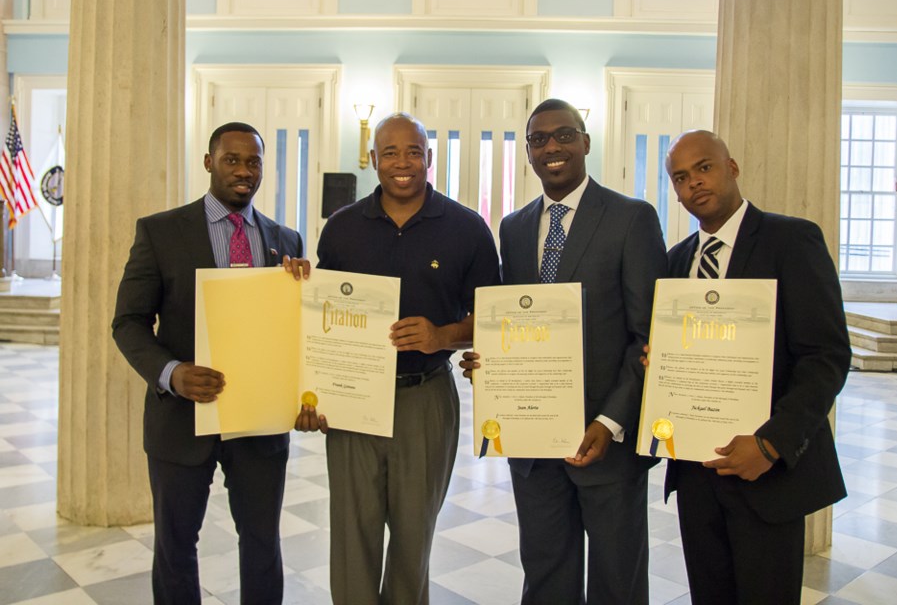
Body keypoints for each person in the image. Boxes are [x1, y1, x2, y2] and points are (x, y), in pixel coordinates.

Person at [463, 98, 667, 604]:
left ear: (585, 142)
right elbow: (516, 318)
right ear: (528, 153)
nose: (551, 146)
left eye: (563, 135)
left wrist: (610, 421)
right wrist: (488, 361)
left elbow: (649, 336)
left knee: (616, 581)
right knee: (546, 574)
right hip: (533, 444)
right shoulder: (512, 227)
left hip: (606, 442)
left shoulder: (631, 219)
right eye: (538, 139)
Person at [294, 112, 501, 604]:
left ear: (429, 158)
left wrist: (441, 335)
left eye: (413, 152)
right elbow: (322, 317)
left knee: (414, 537)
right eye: (390, 152)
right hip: (350, 402)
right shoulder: (342, 229)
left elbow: (493, 320)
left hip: (424, 398)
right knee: (352, 535)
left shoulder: (467, 228)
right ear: (372, 160)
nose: (402, 163)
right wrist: (310, 391)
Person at [112, 122, 310, 605]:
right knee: (176, 546)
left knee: (262, 543)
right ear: (208, 162)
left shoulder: (287, 241)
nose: (244, 171)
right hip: (181, 422)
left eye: (254, 162)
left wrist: (304, 292)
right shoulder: (159, 232)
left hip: (260, 425)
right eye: (232, 160)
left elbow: (297, 334)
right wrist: (172, 373)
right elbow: (128, 323)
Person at [659, 130, 851, 605]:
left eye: (704, 167)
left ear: (732, 167)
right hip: (696, 472)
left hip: (766, 471)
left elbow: (826, 356)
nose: (694, 184)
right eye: (681, 178)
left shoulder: (792, 239)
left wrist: (770, 444)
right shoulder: (676, 262)